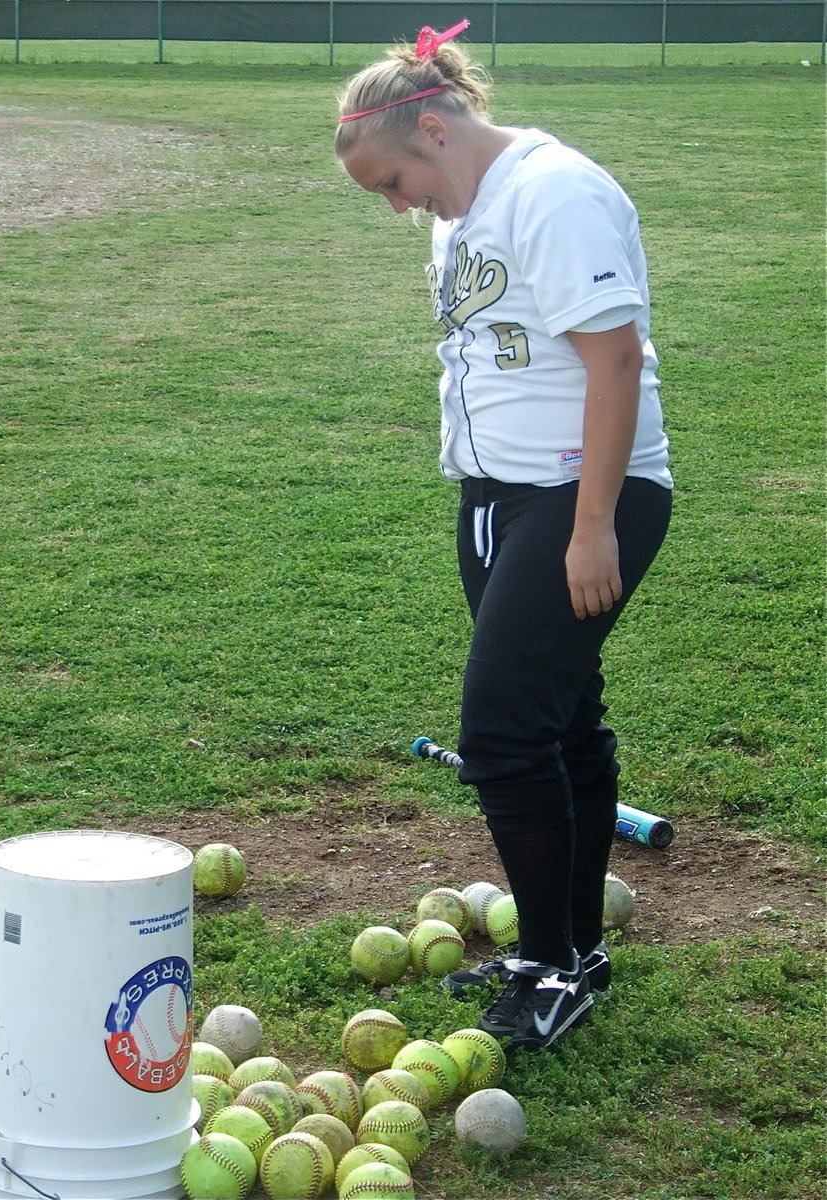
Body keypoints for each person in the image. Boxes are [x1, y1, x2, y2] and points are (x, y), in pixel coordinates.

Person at [335, 23, 672, 1051]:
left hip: (578, 496)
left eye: (392, 183)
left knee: (502, 728)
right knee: (560, 717)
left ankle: (549, 963)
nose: (398, 207)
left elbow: (613, 363)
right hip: (496, 495)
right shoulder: (462, 204)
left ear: (432, 128)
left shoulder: (550, 192)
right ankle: (573, 948)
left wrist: (589, 528)